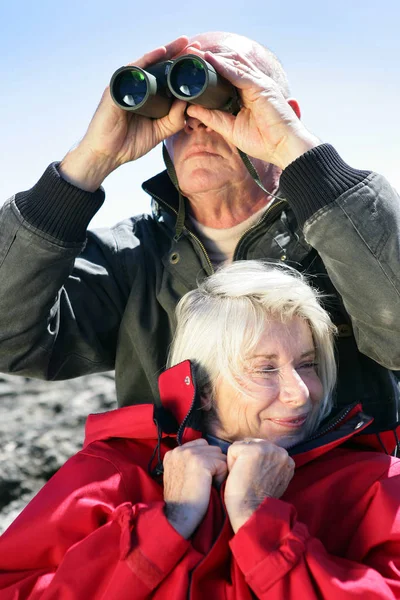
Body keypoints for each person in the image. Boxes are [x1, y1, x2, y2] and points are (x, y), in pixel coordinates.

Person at [0, 32, 399, 433]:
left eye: (223, 96)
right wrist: (91, 160)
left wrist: (295, 149)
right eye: (171, 101)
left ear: (283, 111)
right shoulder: (130, 259)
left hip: (342, 489)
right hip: (174, 492)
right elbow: (8, 339)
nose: (192, 118)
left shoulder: (340, 236)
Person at [0, 260, 400, 599]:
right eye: (265, 368)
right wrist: (169, 522)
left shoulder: (376, 484)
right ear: (203, 389)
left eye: (307, 364)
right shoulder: (112, 475)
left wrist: (258, 519)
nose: (300, 393)